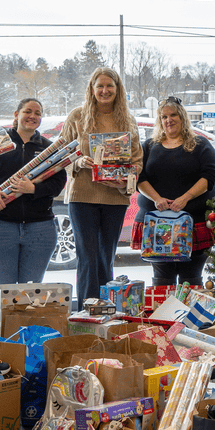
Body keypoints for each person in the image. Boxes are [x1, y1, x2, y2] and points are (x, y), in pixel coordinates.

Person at [0, 97, 67, 335]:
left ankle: (23, 342)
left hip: (39, 230)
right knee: (1, 288)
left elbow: (58, 183)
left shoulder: (48, 149)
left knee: (30, 290)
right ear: (16, 114)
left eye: (37, 112)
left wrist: (33, 189)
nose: (32, 116)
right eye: (28, 111)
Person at [59, 67, 143, 308]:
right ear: (92, 89)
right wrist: (78, 160)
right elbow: (62, 154)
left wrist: (125, 178)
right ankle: (86, 310)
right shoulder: (77, 116)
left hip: (114, 198)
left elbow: (137, 162)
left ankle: (107, 310)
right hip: (82, 196)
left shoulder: (127, 119)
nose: (104, 91)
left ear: (118, 90)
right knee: (87, 257)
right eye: (100, 86)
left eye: (110, 86)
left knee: (105, 257)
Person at [134, 96, 215, 286]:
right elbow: (138, 177)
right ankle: (163, 315)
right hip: (156, 225)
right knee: (162, 281)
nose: (168, 120)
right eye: (163, 117)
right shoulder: (148, 146)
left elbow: (211, 175)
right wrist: (157, 199)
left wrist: (185, 198)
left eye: (173, 115)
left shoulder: (200, 144)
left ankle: (189, 315)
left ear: (182, 117)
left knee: (191, 279)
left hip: (195, 222)